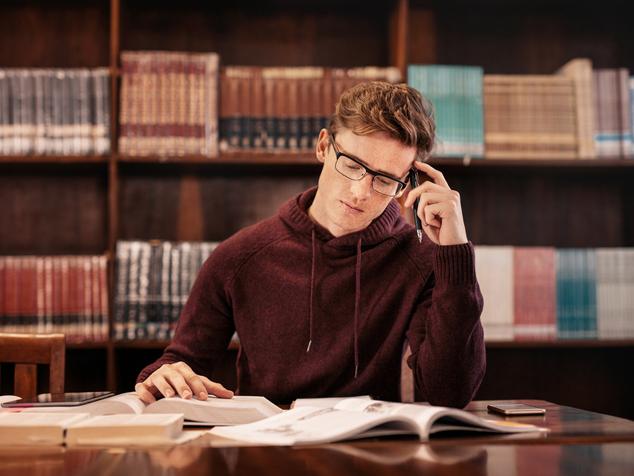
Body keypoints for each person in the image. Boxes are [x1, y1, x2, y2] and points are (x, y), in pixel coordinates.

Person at [135, 81, 485, 407]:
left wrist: (454, 252)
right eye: (353, 165)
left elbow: (450, 393)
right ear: (322, 146)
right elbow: (180, 363)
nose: (360, 192)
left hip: (372, 452)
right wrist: (164, 377)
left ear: (408, 184)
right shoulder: (239, 256)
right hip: (267, 452)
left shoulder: (424, 261)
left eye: (385, 180)